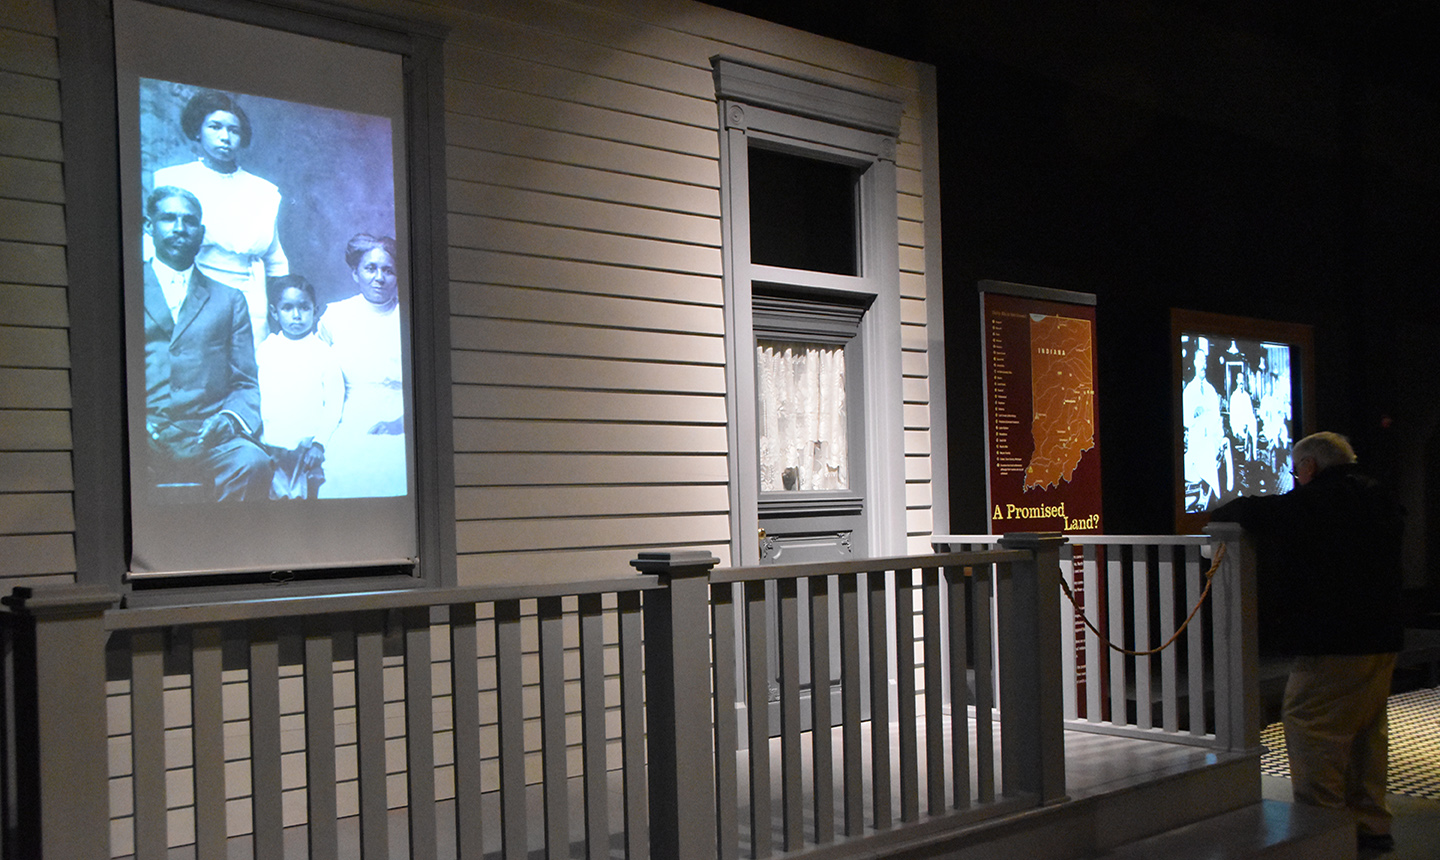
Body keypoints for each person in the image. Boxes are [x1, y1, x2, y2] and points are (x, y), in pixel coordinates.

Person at [1211, 431, 1404, 852]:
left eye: (1296, 470)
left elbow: (1249, 509)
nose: (1296, 478)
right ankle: (1372, 824)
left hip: (1336, 640)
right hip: (1384, 634)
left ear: (1311, 467)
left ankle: (1325, 829)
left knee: (1309, 725)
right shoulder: (1379, 494)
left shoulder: (1320, 498)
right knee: (1367, 730)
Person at [142, 186, 270, 500]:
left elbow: (245, 382)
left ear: (201, 232)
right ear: (149, 227)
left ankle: (223, 548)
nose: (179, 228)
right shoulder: (123, 286)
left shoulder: (228, 299)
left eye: (189, 221)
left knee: (253, 463)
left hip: (204, 436)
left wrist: (227, 419)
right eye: (168, 219)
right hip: (142, 434)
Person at [152, 90, 287, 350]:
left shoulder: (263, 191)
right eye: (215, 127)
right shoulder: (172, 180)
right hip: (189, 292)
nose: (225, 137)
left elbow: (275, 258)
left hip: (249, 297)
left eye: (233, 131)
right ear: (198, 131)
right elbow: (152, 250)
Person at [316, 233, 407, 498]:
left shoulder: (409, 317)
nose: (380, 277)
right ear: (355, 273)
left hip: (402, 417)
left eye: (388, 270)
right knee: (345, 471)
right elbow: (323, 381)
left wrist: (400, 424)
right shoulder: (335, 317)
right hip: (348, 416)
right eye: (370, 268)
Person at [256, 274, 343, 499]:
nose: (296, 315)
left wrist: (319, 444)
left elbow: (334, 404)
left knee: (304, 503)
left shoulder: (325, 354)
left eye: (304, 307)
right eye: (287, 308)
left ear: (315, 311)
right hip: (271, 446)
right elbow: (259, 397)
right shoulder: (266, 350)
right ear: (275, 312)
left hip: (307, 449)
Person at [1183, 336, 1224, 509]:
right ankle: (1203, 496)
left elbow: (1217, 419)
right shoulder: (1188, 391)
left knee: (1209, 449)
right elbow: (1185, 421)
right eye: (1200, 360)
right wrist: (1194, 413)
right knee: (1198, 454)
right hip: (1196, 440)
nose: (1203, 364)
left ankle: (1210, 497)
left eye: (1205, 361)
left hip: (1210, 440)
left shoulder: (1211, 390)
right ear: (1194, 362)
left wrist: (1219, 438)